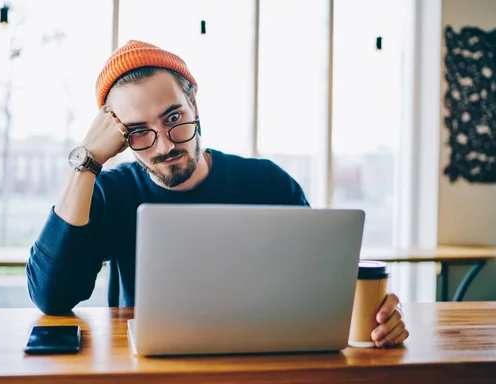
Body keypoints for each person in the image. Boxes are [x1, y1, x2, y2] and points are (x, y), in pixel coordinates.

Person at [26, 40, 409, 348]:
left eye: (174, 119)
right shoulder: (111, 192)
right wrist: (88, 161)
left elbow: (328, 287)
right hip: (145, 372)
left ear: (194, 104)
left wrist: (381, 316)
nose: (163, 147)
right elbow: (52, 297)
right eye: (139, 131)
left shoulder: (269, 184)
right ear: (121, 138)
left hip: (263, 366)